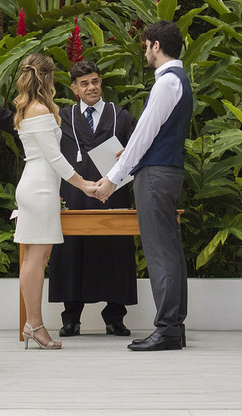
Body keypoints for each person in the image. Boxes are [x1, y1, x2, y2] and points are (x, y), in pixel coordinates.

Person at [0, 58, 138, 338]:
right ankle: (70, 317)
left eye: (95, 81)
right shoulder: (61, 116)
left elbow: (140, 143)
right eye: (84, 83)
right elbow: (24, 129)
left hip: (110, 195)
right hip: (71, 194)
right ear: (74, 88)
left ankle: (115, 317)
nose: (91, 87)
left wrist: (131, 154)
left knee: (115, 254)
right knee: (68, 254)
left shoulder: (120, 116)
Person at [92, 20, 193, 352]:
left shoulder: (166, 84)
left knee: (161, 252)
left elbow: (144, 134)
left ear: (156, 46)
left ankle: (167, 329)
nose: (145, 53)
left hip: (156, 175)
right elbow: (148, 136)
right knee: (171, 251)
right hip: (167, 171)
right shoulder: (179, 80)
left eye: (146, 47)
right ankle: (173, 327)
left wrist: (112, 179)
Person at [9, 53, 101, 350]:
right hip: (40, 189)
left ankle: (32, 323)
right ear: (47, 78)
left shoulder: (29, 109)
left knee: (37, 258)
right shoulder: (40, 112)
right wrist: (84, 184)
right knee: (36, 259)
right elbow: (55, 158)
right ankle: (34, 324)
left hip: (36, 186)